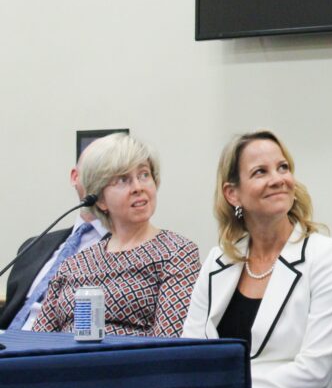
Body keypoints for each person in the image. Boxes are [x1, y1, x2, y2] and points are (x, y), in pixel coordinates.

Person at [182, 130, 332, 388]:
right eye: (260, 172)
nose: (278, 179)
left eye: (283, 167)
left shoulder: (328, 257)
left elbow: (313, 372)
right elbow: (190, 354)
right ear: (232, 193)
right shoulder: (218, 261)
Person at [32, 133, 200, 337]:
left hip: (132, 367)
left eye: (144, 175)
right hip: (62, 365)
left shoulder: (177, 252)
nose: (138, 187)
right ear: (100, 200)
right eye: (123, 179)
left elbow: (167, 344)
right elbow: (38, 340)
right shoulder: (74, 264)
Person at [0, 141, 109, 331]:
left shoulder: (126, 249)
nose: (101, 181)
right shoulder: (34, 246)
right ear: (75, 177)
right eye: (95, 171)